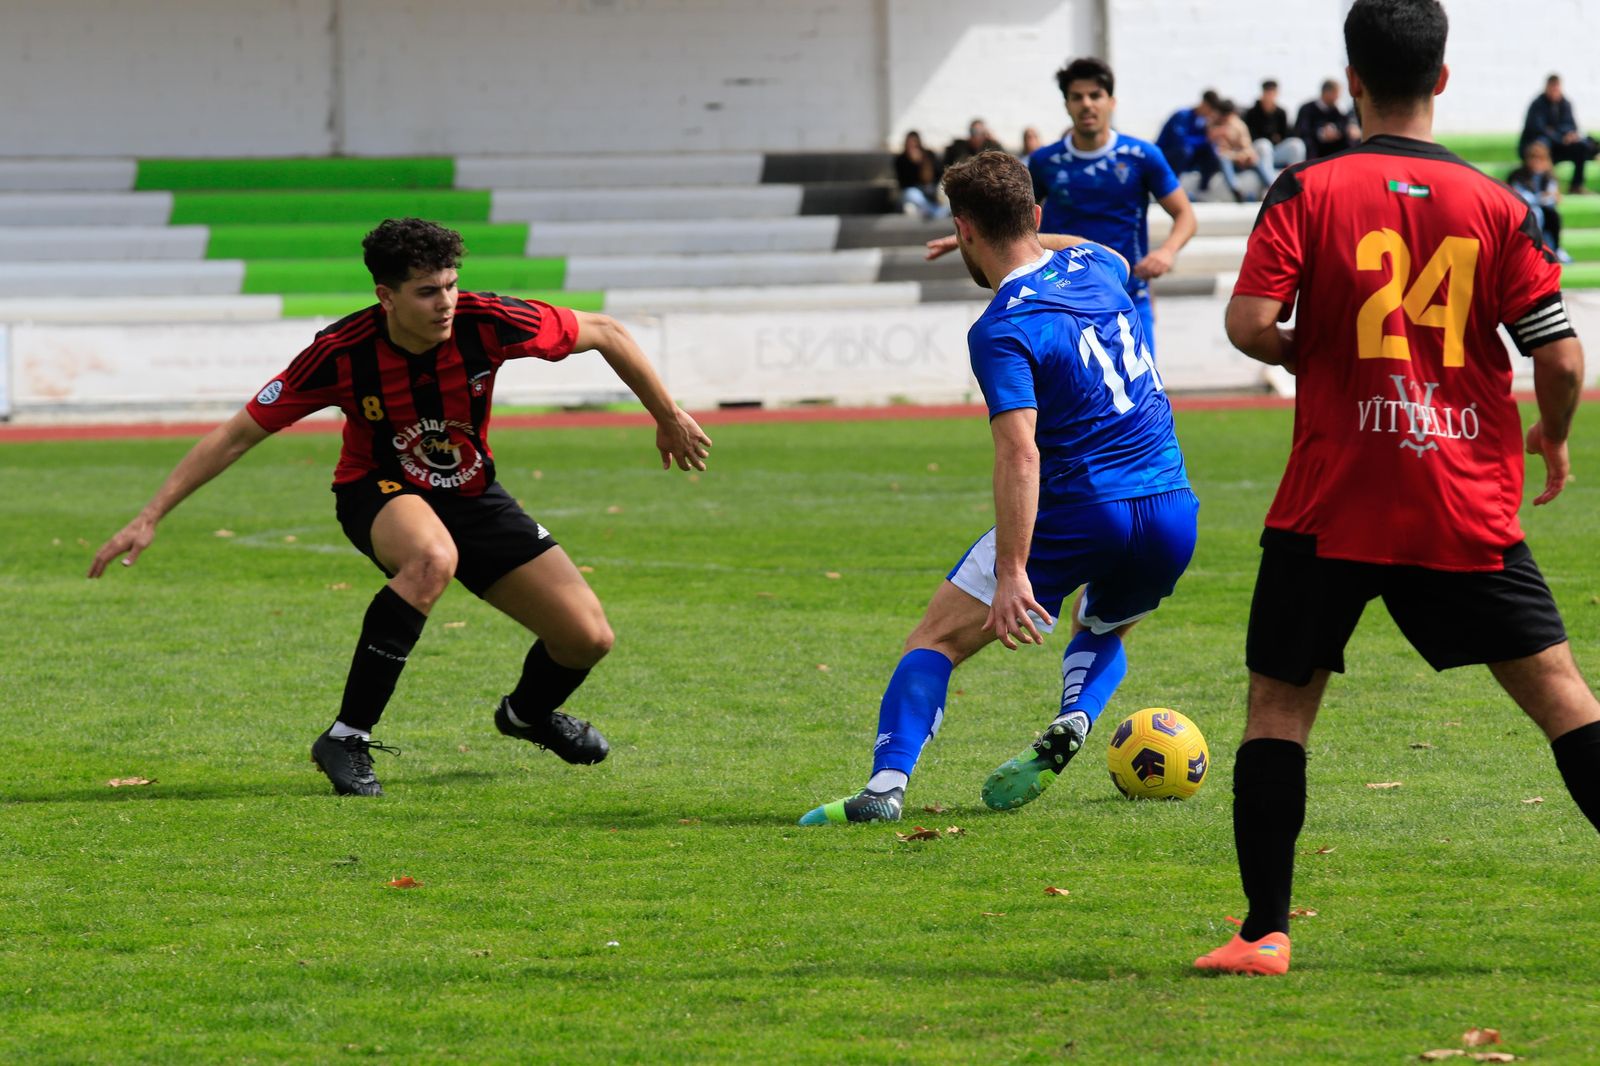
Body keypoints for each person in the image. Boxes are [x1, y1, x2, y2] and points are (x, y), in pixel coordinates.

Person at [1200, 0, 1600, 976]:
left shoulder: (1308, 187)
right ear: (1443, 78)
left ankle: (1263, 934)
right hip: (1458, 496)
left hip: (1331, 496)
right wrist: (1551, 435)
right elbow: (1558, 354)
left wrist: (1308, 350)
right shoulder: (1500, 204)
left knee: (1278, 710)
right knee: (1562, 697)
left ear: (1352, 80)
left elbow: (1249, 324)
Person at [88, 218, 713, 797]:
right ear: (386, 296)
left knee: (586, 638)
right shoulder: (341, 352)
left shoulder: (488, 321)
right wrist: (150, 515)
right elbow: (236, 434)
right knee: (430, 559)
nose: (446, 302)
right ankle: (346, 738)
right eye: (426, 292)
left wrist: (667, 415)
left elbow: (607, 332)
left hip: (472, 494)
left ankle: (527, 715)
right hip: (377, 488)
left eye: (451, 285)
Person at [798, 151, 1198, 826]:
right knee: (1102, 623)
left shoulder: (1000, 328)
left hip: (1082, 508)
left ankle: (885, 789)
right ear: (1035, 215)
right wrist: (1028, 234)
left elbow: (1019, 451)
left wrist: (1013, 571)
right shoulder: (1098, 266)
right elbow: (1097, 248)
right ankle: (1077, 713)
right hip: (1172, 509)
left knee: (934, 641)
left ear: (964, 231)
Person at [1520, 74, 1599, 194]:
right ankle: (1540, 188)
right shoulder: (1537, 105)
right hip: (1545, 146)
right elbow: (1538, 129)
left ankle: (1576, 186)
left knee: (1581, 147)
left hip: (1559, 146)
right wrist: (1560, 137)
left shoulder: (1565, 103)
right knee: (1541, 145)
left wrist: (1568, 136)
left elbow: (1571, 126)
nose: (1554, 92)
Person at [1508, 140, 1570, 263]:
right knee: (1536, 213)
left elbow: (1553, 196)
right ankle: (1533, 248)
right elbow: (1521, 197)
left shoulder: (1548, 176)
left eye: (1540, 159)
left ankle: (1555, 249)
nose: (1536, 162)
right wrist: (1540, 198)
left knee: (1553, 215)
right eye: (1533, 158)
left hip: (1545, 211)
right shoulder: (1518, 176)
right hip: (1524, 211)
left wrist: (1549, 197)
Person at [1209, 98, 1276, 202]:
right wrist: (1236, 157)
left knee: (1256, 160)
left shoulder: (1239, 125)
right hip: (1224, 161)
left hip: (1241, 159)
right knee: (1224, 160)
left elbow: (1247, 147)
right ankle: (1235, 189)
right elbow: (1219, 152)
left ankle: (1271, 187)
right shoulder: (1214, 126)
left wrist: (1244, 156)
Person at [1156, 90, 1222, 195]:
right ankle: (1169, 188)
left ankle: (1202, 190)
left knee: (1213, 154)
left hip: (1187, 157)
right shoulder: (1182, 115)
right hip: (1167, 155)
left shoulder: (1202, 121)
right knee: (1185, 151)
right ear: (1204, 104)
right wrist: (1206, 139)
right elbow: (1180, 142)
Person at [1245, 79, 1307, 171]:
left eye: (1272, 92)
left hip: (1275, 150)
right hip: (1259, 150)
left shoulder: (1281, 112)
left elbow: (1285, 134)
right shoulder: (1252, 112)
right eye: (1268, 92)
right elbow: (1249, 136)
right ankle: (1269, 178)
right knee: (1264, 144)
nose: (1270, 95)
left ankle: (1296, 177)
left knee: (1297, 144)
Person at [1294, 78, 1361, 160]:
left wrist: (1335, 130)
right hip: (1313, 147)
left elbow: (1343, 125)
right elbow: (1302, 131)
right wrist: (1321, 133)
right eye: (1336, 94)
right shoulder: (1307, 109)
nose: (1338, 97)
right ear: (1327, 92)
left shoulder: (1337, 111)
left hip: (1331, 148)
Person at [894, 130, 950, 220]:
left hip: (931, 190)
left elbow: (939, 173)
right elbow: (904, 182)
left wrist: (923, 163)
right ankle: (934, 212)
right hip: (913, 190)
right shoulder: (901, 159)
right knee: (912, 194)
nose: (912, 146)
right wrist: (913, 165)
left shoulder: (928, 155)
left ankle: (935, 211)